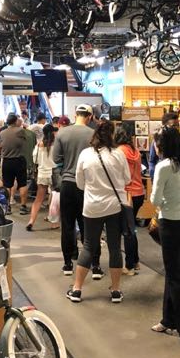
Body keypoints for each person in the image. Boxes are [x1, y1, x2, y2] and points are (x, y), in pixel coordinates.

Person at [67, 119, 130, 303]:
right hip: (114, 207)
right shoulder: (118, 154)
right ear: (112, 136)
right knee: (115, 248)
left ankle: (77, 289)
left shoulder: (86, 154)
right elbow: (127, 179)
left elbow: (80, 183)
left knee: (88, 246)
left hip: (92, 207)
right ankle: (116, 290)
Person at [150, 126, 180, 345]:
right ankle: (167, 320)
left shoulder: (163, 167)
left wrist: (164, 203)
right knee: (175, 274)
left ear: (160, 145)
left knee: (175, 278)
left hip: (172, 224)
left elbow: (154, 200)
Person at [52, 104, 102, 277]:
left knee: (67, 225)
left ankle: (67, 264)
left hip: (67, 183)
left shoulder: (62, 133)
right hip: (88, 185)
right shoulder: (93, 134)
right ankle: (95, 265)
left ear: (76, 114)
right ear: (90, 116)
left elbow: (56, 159)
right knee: (89, 225)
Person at [114, 126, 145, 275]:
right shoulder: (135, 151)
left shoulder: (119, 152)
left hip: (127, 194)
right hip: (139, 193)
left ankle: (129, 265)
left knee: (127, 231)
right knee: (131, 229)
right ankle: (136, 261)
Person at [0, 112, 30, 214]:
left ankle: (7, 207)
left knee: (7, 185)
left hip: (7, 161)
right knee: (22, 184)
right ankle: (23, 207)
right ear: (16, 121)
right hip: (19, 160)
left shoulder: (2, 132)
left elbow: (0, 144)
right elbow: (25, 139)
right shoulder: (20, 130)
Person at [27, 123, 57, 231]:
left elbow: (35, 159)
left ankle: (31, 221)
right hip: (54, 174)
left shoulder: (39, 145)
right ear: (53, 132)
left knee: (38, 200)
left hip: (42, 174)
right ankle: (54, 223)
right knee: (55, 199)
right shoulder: (56, 144)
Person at [148, 112, 180, 178]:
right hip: (161, 174)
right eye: (173, 126)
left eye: (178, 125)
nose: (177, 128)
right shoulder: (157, 141)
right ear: (164, 127)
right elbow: (152, 161)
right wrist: (153, 175)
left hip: (178, 176)